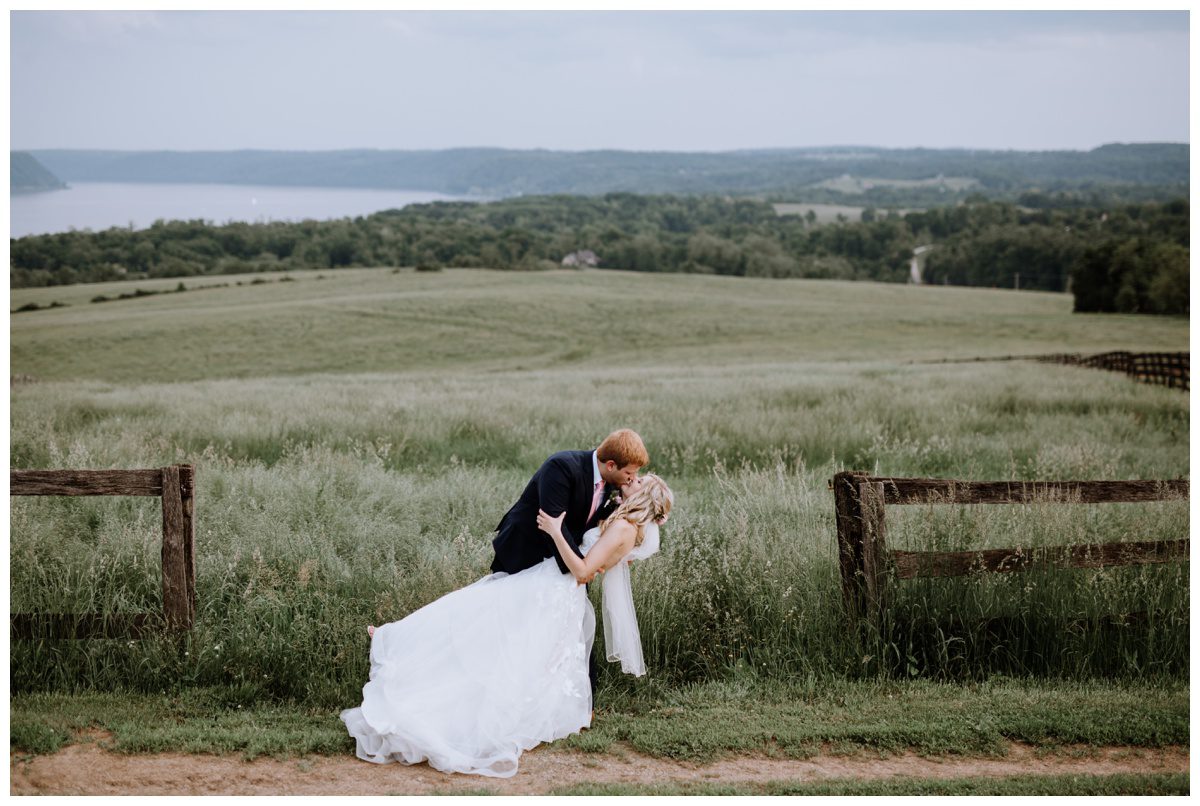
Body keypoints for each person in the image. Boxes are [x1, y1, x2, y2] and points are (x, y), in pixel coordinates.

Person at [339, 471, 673, 778]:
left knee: (481, 616)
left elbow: (583, 571)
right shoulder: (626, 525)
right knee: (487, 620)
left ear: (646, 497)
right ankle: (400, 639)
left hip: (555, 590)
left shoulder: (624, 529)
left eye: (640, 482)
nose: (633, 479)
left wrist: (556, 532)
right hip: (551, 587)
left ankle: (402, 649)